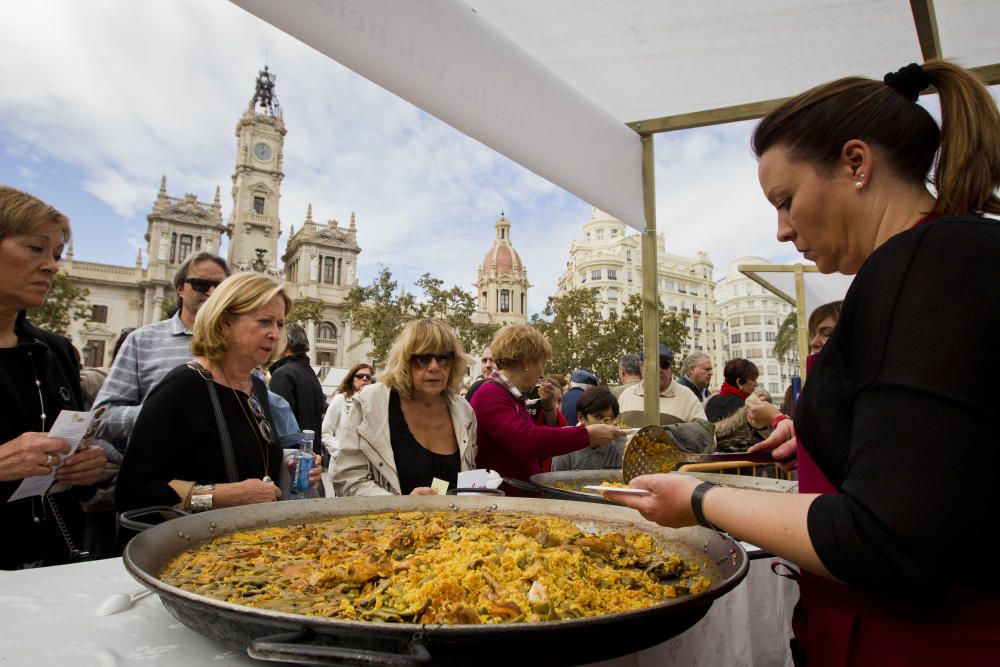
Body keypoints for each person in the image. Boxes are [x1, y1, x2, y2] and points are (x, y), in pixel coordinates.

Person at [609, 61, 1000, 665]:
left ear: (856, 163)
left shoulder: (926, 267)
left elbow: (889, 536)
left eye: (787, 201)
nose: (783, 230)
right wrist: (822, 432)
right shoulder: (940, 259)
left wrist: (701, 498)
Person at [116, 273, 320, 514]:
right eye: (265, 321)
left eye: (279, 324)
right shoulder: (183, 387)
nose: (275, 334)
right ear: (224, 323)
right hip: (192, 544)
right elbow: (132, 490)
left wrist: (291, 467)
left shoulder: (257, 387)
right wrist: (221, 496)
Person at [0, 186, 107, 568]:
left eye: (56, 255)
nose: (52, 266)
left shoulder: (55, 351)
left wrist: (87, 469)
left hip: (54, 563)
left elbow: (71, 463)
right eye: (35, 248)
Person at [92, 252, 230, 451]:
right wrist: (159, 412)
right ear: (180, 288)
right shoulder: (142, 341)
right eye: (200, 284)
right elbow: (101, 418)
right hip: (158, 473)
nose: (211, 292)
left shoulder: (237, 343)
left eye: (220, 287)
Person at [470, 324, 623, 495]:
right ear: (527, 362)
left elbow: (537, 443)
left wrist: (549, 408)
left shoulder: (509, 396)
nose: (542, 372)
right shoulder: (491, 393)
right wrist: (588, 435)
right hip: (502, 505)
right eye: (541, 363)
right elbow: (525, 441)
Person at [333, 319, 476, 496]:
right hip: (385, 522)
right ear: (404, 362)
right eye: (422, 359)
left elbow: (468, 479)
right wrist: (401, 506)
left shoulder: (464, 412)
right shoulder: (369, 403)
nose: (434, 367)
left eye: (443, 358)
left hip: (454, 523)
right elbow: (348, 479)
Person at [617, 343, 714, 451]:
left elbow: (708, 439)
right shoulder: (626, 395)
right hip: (630, 466)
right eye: (652, 364)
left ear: (670, 368)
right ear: (641, 366)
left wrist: (670, 435)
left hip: (671, 467)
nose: (658, 369)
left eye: (664, 364)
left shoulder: (687, 397)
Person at [268, 322, 327, 459]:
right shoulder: (308, 372)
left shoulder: (283, 373)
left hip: (291, 458)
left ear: (285, 342)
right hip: (309, 453)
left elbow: (279, 425)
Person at [550, 386, 625, 471]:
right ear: (581, 417)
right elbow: (556, 480)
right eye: (598, 417)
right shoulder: (566, 444)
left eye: (610, 419)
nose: (604, 424)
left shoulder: (616, 446)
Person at [704, 359, 770, 453]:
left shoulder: (711, 402)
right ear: (739, 382)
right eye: (752, 379)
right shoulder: (749, 406)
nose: (756, 384)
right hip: (746, 461)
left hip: (714, 462)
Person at [320, 362, 374, 465]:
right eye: (359, 376)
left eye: (368, 376)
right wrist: (342, 450)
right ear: (351, 379)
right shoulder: (340, 399)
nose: (364, 379)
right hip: (342, 463)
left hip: (366, 464)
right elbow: (325, 432)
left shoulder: (375, 403)